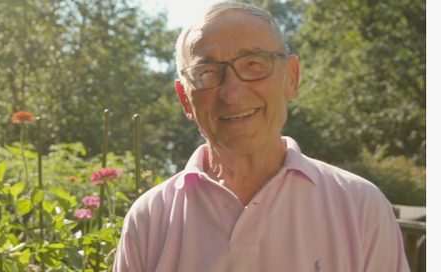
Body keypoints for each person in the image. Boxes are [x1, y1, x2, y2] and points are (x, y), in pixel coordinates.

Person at [113, 2, 409, 271]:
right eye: (206, 73)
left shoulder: (360, 208)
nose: (232, 92)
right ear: (185, 99)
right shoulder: (149, 220)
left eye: (253, 64)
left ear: (291, 77)